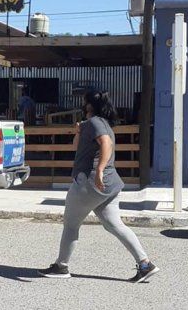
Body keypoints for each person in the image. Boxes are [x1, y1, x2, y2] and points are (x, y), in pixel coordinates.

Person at [38, 91, 159, 283]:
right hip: (109, 186)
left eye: (83, 102)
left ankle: (61, 267)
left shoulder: (94, 122)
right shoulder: (99, 124)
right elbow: (76, 147)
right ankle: (145, 264)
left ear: (88, 105)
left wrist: (100, 169)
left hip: (90, 182)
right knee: (115, 225)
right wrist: (78, 131)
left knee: (70, 225)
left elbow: (106, 144)